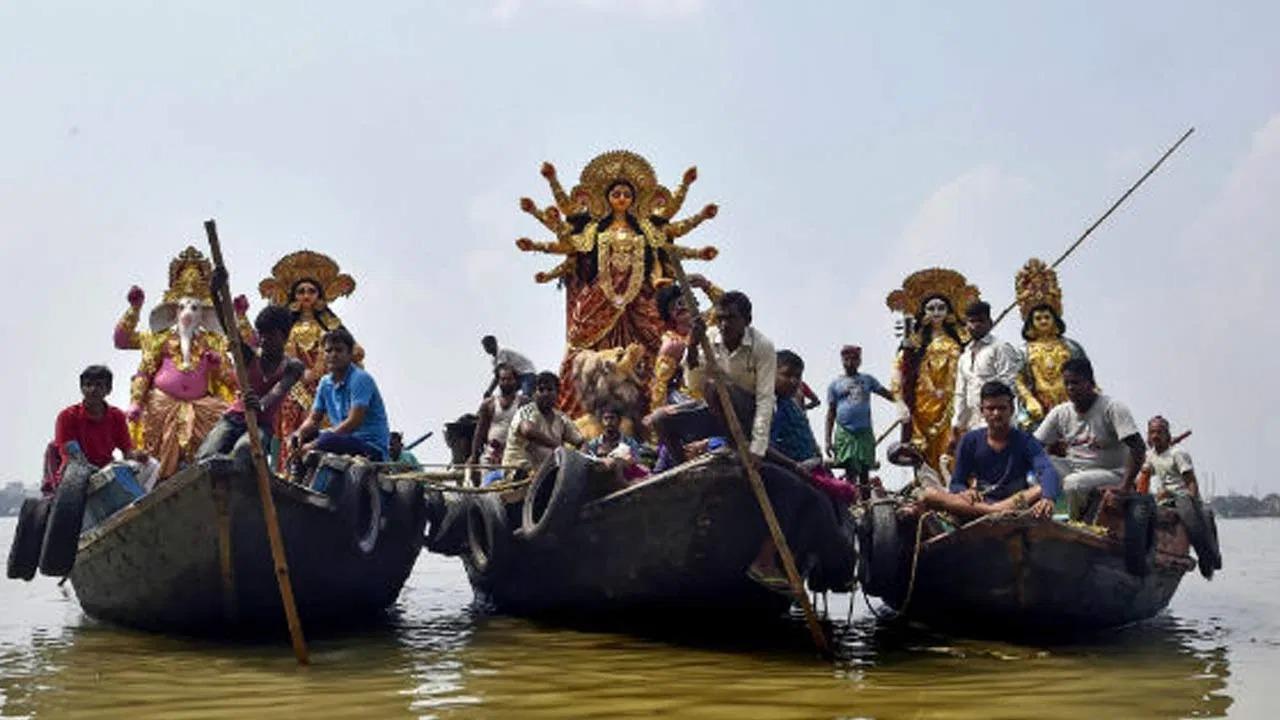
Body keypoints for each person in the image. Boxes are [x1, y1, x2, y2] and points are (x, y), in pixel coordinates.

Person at [513, 152, 719, 419]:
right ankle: (577, 417)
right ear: (605, 198)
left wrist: (697, 227)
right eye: (616, 193)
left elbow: (661, 253)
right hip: (599, 298)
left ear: (635, 200)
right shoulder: (594, 231)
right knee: (580, 351)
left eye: (627, 194)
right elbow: (567, 242)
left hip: (638, 300)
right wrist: (537, 236)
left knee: (653, 349)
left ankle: (647, 417)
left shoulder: (645, 231)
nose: (622, 198)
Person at [257, 250, 364, 471]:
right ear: (294, 296)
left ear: (319, 296)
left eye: (311, 291)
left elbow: (351, 348)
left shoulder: (329, 325)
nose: (306, 295)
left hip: (323, 383)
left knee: (326, 424)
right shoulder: (289, 328)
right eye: (301, 291)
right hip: (293, 384)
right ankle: (287, 468)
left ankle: (321, 468)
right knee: (289, 425)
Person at [918, 381, 1059, 520]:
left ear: (1012, 409)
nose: (996, 414)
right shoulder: (969, 440)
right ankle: (993, 511)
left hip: (1015, 503)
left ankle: (993, 511)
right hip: (981, 502)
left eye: (1002, 408)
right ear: (982, 411)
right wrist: (964, 492)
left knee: (1040, 489)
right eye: (991, 408)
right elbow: (957, 482)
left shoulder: (1026, 441)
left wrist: (1048, 497)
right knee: (930, 494)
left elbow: (1046, 469)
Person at [886, 268, 981, 473]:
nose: (936, 312)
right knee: (923, 452)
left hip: (954, 402)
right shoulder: (914, 343)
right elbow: (898, 373)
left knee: (955, 447)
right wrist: (900, 402)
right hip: (923, 406)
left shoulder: (961, 340)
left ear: (949, 311)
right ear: (923, 313)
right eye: (931, 308)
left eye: (941, 307)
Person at [1034, 357, 1144, 521]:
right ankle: (1038, 513)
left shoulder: (1112, 408)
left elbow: (1138, 447)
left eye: (1076, 383)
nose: (1071, 388)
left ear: (1090, 383)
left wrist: (1125, 486)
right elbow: (1033, 446)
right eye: (1067, 383)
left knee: (1073, 483)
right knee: (1034, 468)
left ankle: (1074, 524)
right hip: (1074, 469)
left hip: (1112, 473)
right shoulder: (1060, 412)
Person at [680, 290, 777, 464]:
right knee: (661, 420)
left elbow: (765, 398)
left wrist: (758, 448)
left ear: (747, 320)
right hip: (718, 412)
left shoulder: (762, 347)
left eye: (731, 318)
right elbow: (693, 385)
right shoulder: (708, 337)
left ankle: (734, 446)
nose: (724, 325)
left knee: (715, 386)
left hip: (749, 414)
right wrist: (692, 347)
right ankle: (683, 467)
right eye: (720, 319)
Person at [196, 305, 304, 460]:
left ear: (284, 337)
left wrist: (260, 405)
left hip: (261, 426)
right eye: (261, 334)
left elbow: (279, 390)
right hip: (233, 419)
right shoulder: (248, 355)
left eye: (271, 335)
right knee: (206, 454)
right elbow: (228, 328)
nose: (264, 340)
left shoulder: (293, 366)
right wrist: (215, 293)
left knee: (244, 451)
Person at [288, 328, 390, 463]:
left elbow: (354, 422)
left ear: (349, 354)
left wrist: (315, 444)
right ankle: (296, 475)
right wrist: (299, 434)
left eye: (339, 350)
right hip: (342, 440)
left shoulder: (360, 378)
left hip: (369, 446)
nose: (333, 355)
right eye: (328, 351)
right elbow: (313, 419)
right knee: (303, 437)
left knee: (326, 440)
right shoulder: (325, 383)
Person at [48, 366, 152, 494]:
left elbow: (127, 452)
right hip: (76, 477)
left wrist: (139, 456)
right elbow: (71, 457)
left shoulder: (116, 416)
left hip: (107, 471)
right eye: (88, 385)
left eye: (98, 385)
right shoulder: (67, 416)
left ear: (108, 389)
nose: (92, 390)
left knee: (152, 465)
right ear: (82, 388)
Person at [1139, 415, 1220, 578]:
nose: (1155, 436)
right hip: (1165, 499)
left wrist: (1192, 502)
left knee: (1192, 521)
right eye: (1152, 432)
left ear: (1167, 434)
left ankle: (1209, 558)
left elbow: (1190, 481)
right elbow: (1145, 476)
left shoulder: (1178, 453)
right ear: (1148, 435)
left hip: (1182, 497)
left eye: (1160, 432)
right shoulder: (1151, 455)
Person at [1012, 258, 1088, 429]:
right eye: (1038, 318)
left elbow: (1086, 376)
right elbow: (1017, 380)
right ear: (1030, 322)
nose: (1043, 321)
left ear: (1055, 319)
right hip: (1038, 410)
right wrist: (1029, 400)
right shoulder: (1023, 351)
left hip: (1071, 406)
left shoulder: (1071, 347)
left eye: (1047, 317)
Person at [824, 345, 895, 485]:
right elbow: (831, 413)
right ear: (842, 361)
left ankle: (865, 500)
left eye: (854, 359)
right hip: (845, 432)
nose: (850, 362)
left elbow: (888, 394)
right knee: (850, 467)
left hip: (864, 431)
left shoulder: (868, 380)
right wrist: (827, 440)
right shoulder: (835, 385)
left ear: (860, 361)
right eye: (847, 359)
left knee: (864, 468)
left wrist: (905, 397)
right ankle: (851, 501)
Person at [951, 301, 1022, 438]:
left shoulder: (1000, 348)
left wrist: (996, 414)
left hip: (998, 421)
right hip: (973, 423)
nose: (976, 325)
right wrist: (957, 423)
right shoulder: (964, 356)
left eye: (980, 321)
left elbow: (1008, 385)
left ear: (989, 323)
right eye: (971, 321)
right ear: (966, 325)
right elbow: (961, 393)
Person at [501, 372, 585, 477]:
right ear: (534, 394)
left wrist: (581, 460)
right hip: (518, 471)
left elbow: (580, 442)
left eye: (549, 390)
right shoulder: (526, 411)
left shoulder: (561, 418)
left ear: (558, 393)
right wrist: (558, 447)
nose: (545, 393)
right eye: (541, 390)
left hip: (545, 473)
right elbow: (528, 431)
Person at [471, 364, 526, 468]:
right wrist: (474, 456)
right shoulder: (489, 404)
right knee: (489, 482)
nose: (506, 382)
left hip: (515, 455)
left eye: (509, 379)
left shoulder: (524, 403)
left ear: (516, 381)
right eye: (502, 379)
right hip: (491, 454)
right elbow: (480, 432)